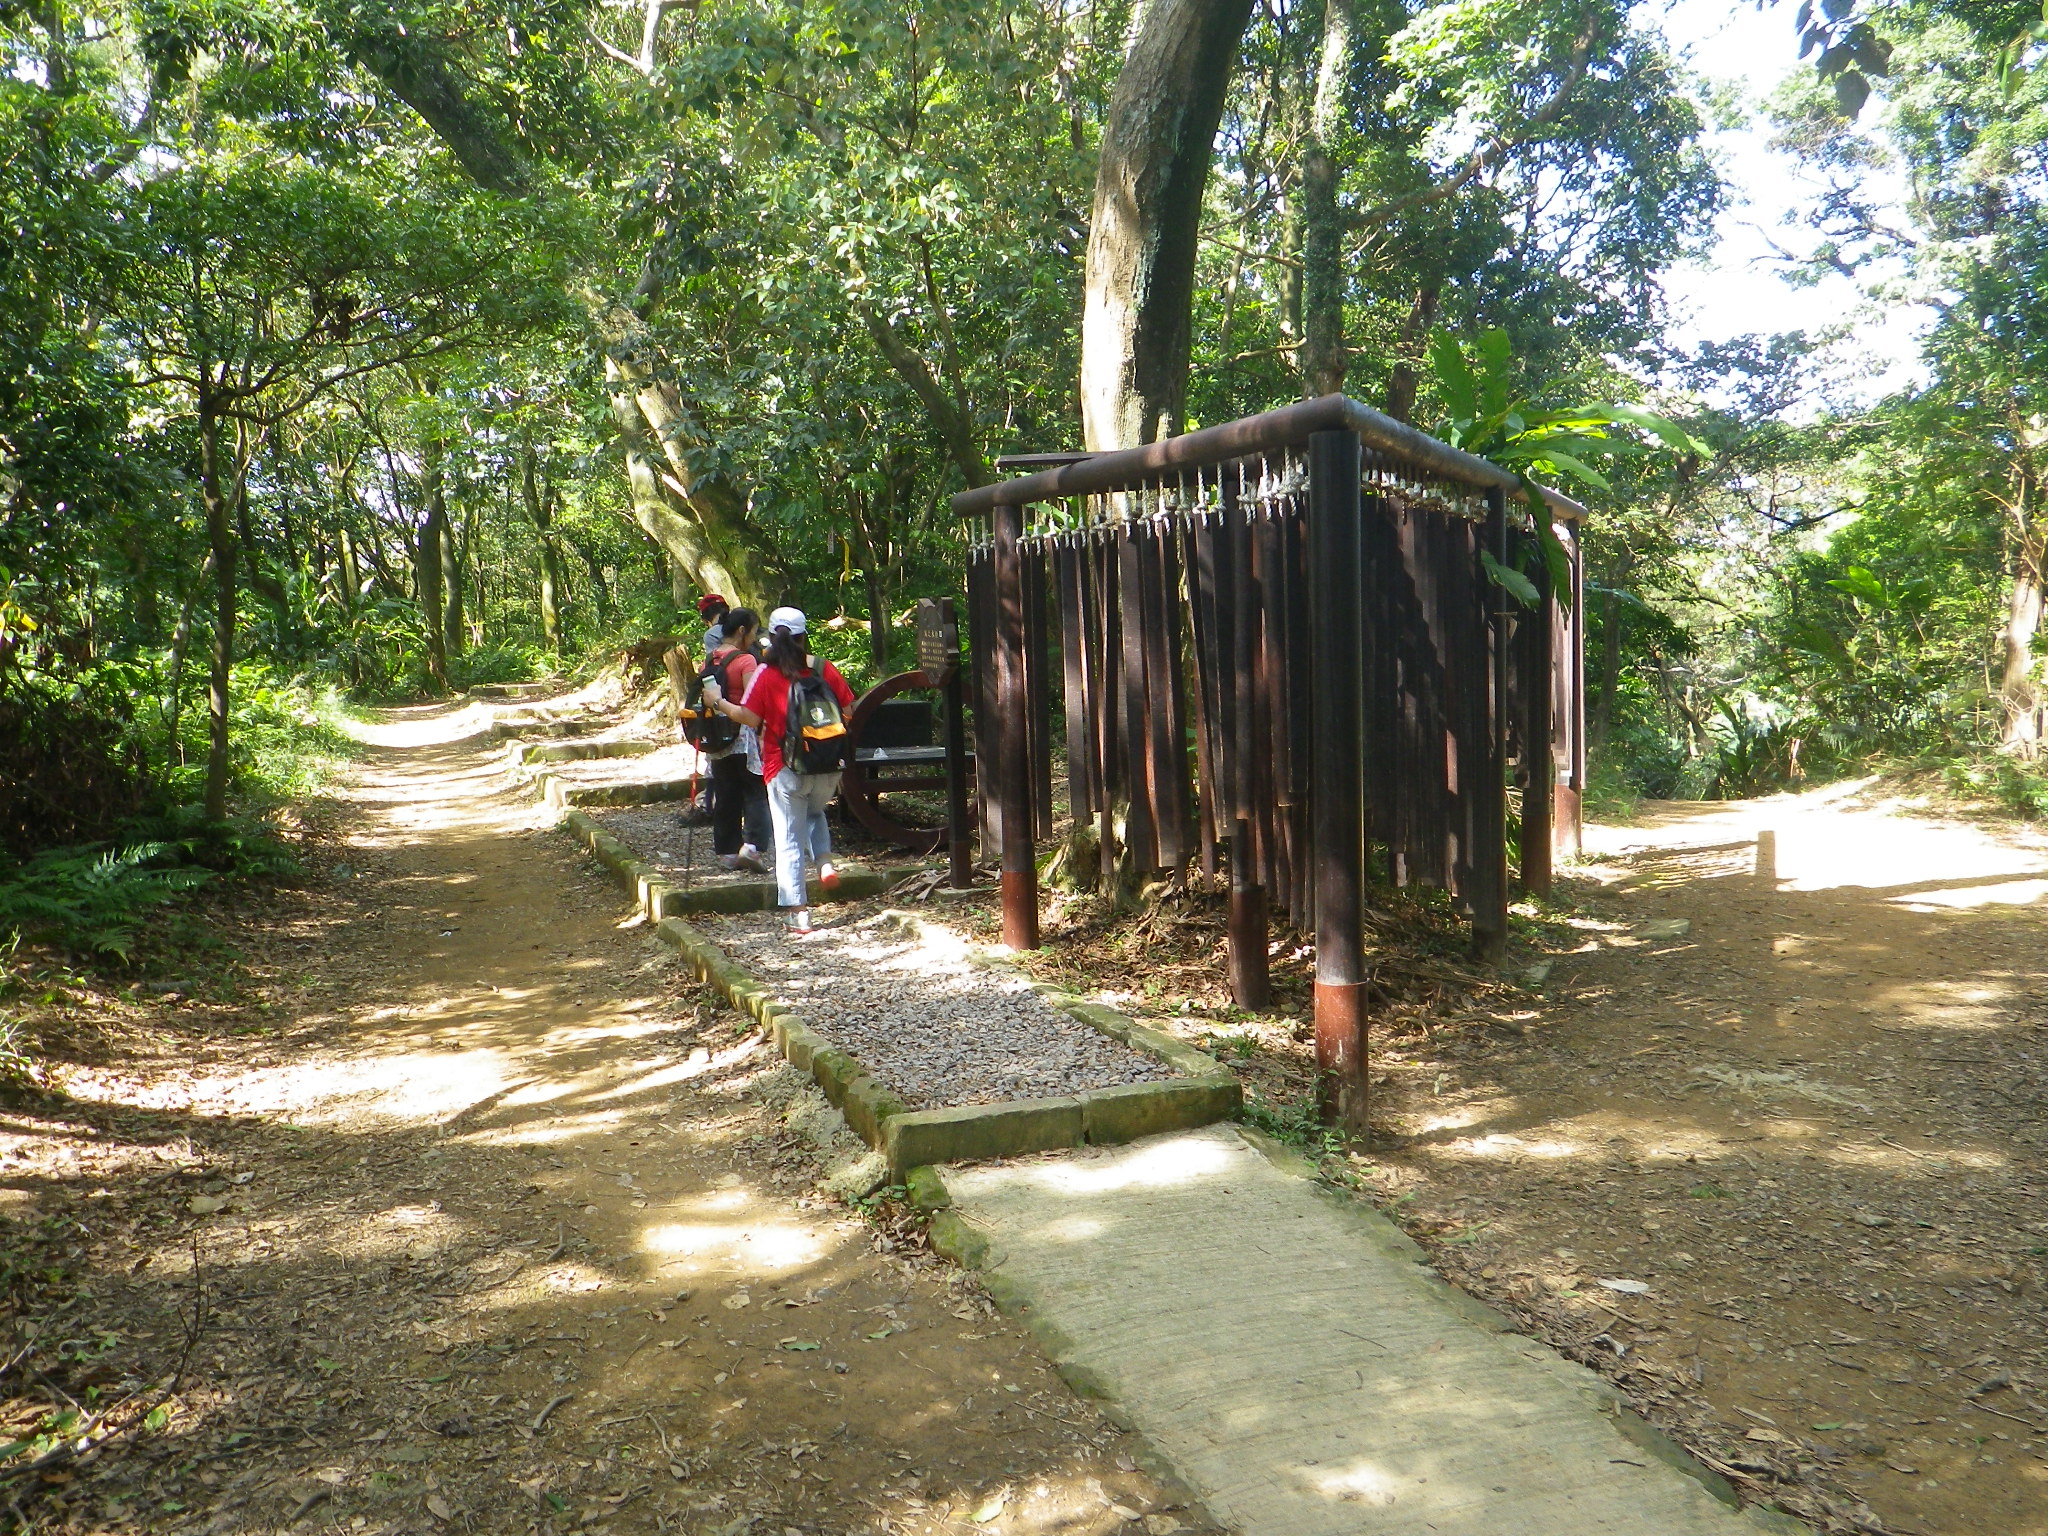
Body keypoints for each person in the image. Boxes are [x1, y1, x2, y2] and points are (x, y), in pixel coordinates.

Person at [703, 607, 853, 936]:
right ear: (804, 637)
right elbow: (848, 710)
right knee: (814, 813)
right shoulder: (823, 668)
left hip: (784, 766)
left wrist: (717, 701)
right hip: (827, 766)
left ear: (771, 637)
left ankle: (799, 913)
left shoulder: (767, 674)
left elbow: (749, 718)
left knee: (788, 838)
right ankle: (825, 861)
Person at [701, 607, 770, 873]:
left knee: (725, 792)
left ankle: (727, 853)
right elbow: (753, 700)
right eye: (753, 631)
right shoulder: (745, 661)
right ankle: (752, 847)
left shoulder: (709, 660)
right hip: (743, 734)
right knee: (754, 791)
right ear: (742, 630)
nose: (754, 637)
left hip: (717, 736)